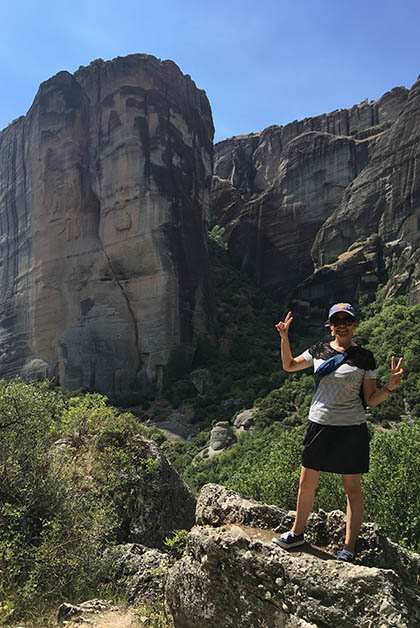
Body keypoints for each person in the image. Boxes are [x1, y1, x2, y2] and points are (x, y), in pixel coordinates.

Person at [272, 303, 403, 563]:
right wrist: (285, 337)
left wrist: (389, 386)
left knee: (352, 488)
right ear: (330, 325)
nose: (342, 324)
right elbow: (288, 365)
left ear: (354, 324)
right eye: (337, 320)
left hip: (351, 428)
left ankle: (348, 548)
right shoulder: (318, 350)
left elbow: (370, 399)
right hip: (319, 424)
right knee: (306, 483)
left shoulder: (365, 357)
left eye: (347, 319)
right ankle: (297, 533)